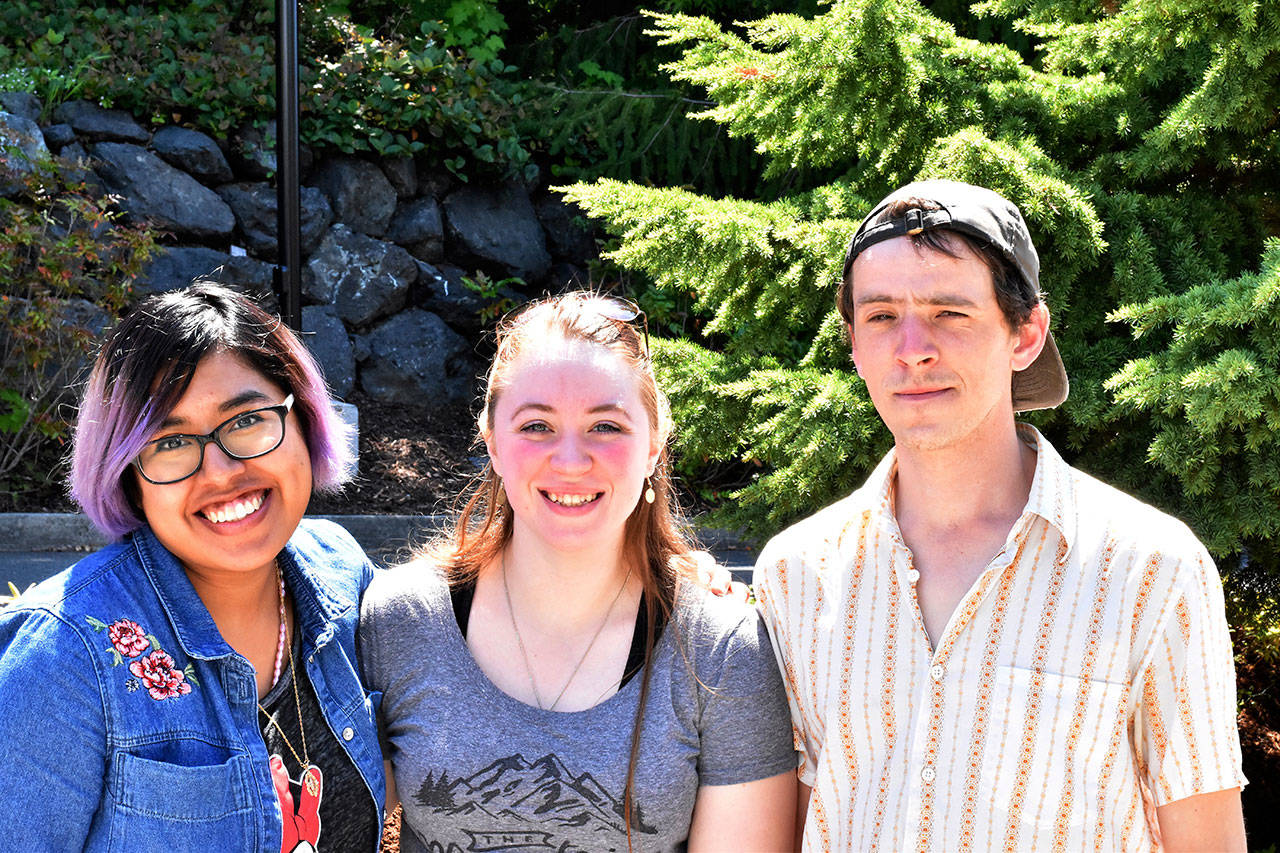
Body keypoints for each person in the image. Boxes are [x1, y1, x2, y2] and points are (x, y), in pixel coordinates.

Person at [753, 180, 1247, 851]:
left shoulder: (1152, 568)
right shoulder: (795, 574)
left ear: (1026, 334)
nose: (912, 348)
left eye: (949, 313)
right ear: (853, 344)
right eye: (880, 317)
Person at [359, 292, 798, 852]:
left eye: (606, 427)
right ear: (492, 442)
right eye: (537, 426)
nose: (570, 461)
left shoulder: (720, 651)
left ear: (654, 446)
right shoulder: (397, 621)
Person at [0, 283, 384, 851]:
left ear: (302, 419)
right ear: (128, 473)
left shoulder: (340, 573)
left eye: (248, 420)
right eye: (171, 441)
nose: (223, 470)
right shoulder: (64, 658)